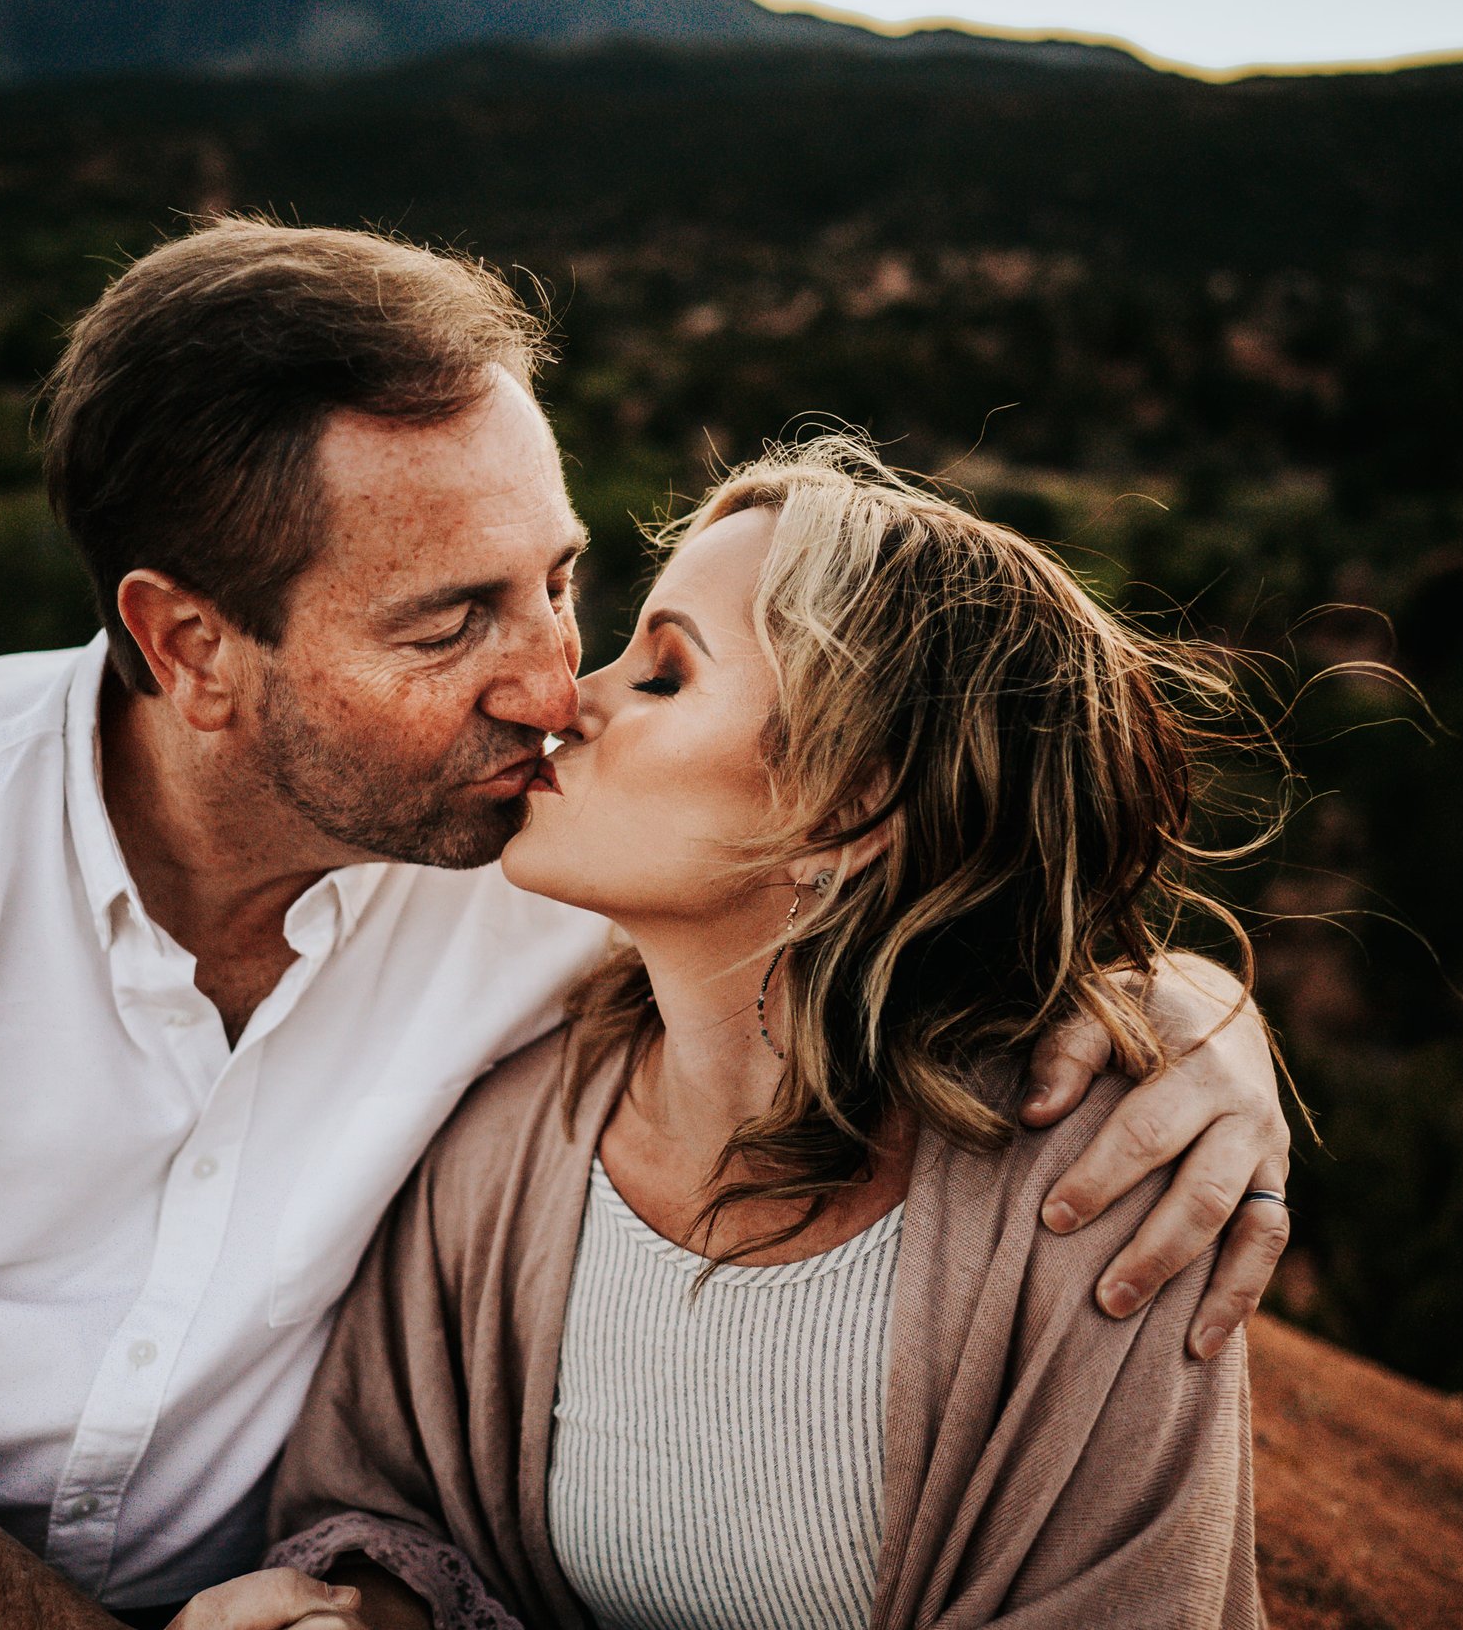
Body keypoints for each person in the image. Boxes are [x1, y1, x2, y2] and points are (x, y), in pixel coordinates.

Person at [0, 221, 1291, 1627]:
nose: (550, 683)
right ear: (188, 643)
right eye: (452, 621)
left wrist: (1199, 1019)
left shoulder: (539, 861)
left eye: (566, 582)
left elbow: (887, 852)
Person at [254, 439, 1273, 1629]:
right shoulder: (503, 1144)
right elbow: (380, 1511)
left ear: (849, 809)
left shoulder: (1101, 1198)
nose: (564, 700)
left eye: (666, 675)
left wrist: (1196, 1006)